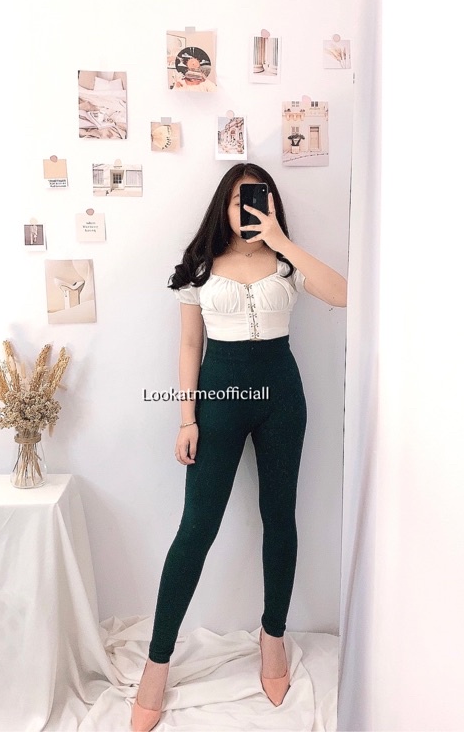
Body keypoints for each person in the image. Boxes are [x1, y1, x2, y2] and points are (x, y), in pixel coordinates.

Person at [131, 163, 347, 730]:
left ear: (271, 203)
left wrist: (280, 240)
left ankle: (272, 638)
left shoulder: (285, 260)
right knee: (196, 528)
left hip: (282, 399)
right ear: (222, 207)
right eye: (238, 201)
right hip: (219, 399)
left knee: (280, 518)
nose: (247, 208)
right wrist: (186, 419)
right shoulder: (200, 266)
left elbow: (344, 295)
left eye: (258, 198)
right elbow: (189, 345)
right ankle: (157, 662)